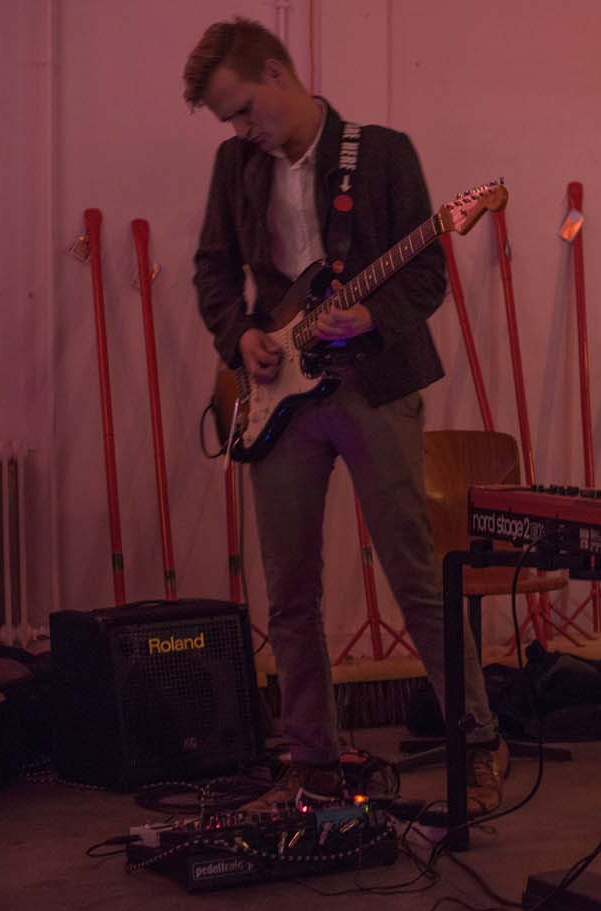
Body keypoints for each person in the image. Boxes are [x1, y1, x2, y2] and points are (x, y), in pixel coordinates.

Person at [182, 18, 507, 814]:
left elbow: (425, 275)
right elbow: (213, 271)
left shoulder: (382, 153)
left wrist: (372, 317)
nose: (240, 129)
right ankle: (314, 763)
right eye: (227, 120)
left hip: (374, 385)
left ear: (277, 72)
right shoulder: (234, 166)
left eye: (242, 109)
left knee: (414, 574)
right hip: (279, 400)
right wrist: (242, 337)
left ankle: (476, 745)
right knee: (290, 591)